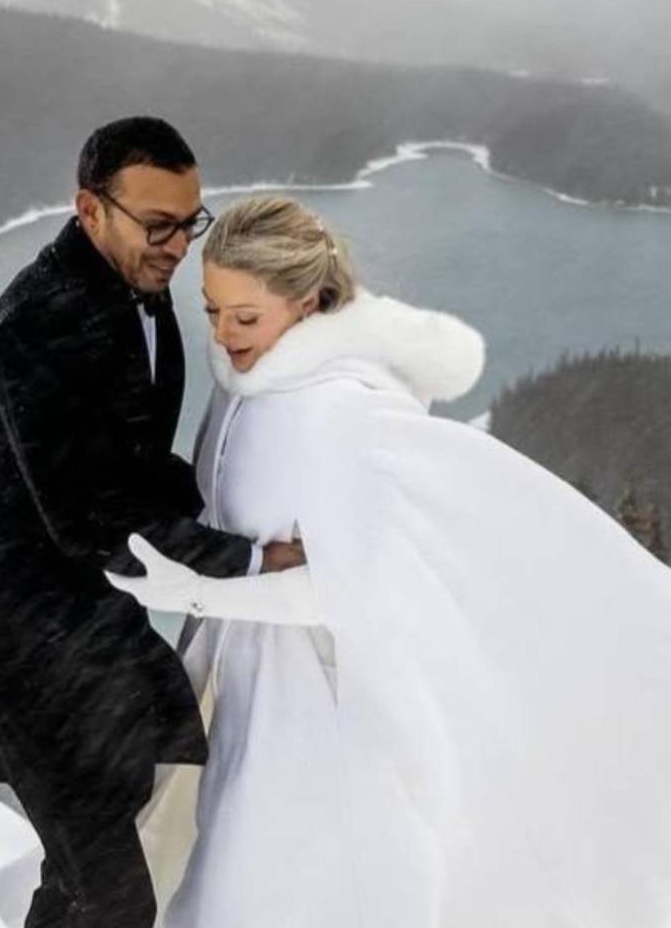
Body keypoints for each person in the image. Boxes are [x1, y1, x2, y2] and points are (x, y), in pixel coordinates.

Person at [109, 194, 671, 928]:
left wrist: (201, 592)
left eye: (244, 317)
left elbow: (347, 591)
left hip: (314, 709)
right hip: (243, 683)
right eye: (212, 311)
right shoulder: (248, 381)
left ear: (307, 303)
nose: (223, 334)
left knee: (277, 884)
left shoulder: (344, 414)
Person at [0, 120, 303, 928]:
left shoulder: (130, 287)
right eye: (158, 225)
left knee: (79, 879)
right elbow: (91, 520)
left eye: (190, 221)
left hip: (91, 636)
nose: (178, 245)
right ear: (89, 208)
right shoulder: (36, 326)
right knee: (115, 898)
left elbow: (137, 463)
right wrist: (252, 560)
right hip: (28, 655)